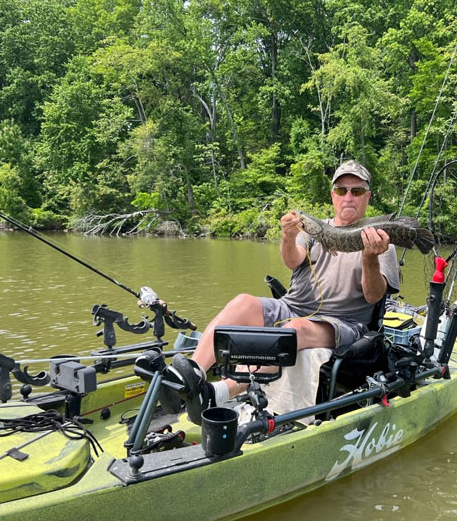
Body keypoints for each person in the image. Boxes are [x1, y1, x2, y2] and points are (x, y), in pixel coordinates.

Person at [160, 160, 400, 421]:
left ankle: (219, 391)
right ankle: (191, 374)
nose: (349, 197)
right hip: (293, 305)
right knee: (243, 302)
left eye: (356, 191)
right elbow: (292, 260)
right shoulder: (314, 229)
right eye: (342, 191)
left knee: (295, 330)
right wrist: (287, 236)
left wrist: (369, 257)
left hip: (343, 322)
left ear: (367, 196)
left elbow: (374, 296)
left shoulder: (380, 239)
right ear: (333, 195)